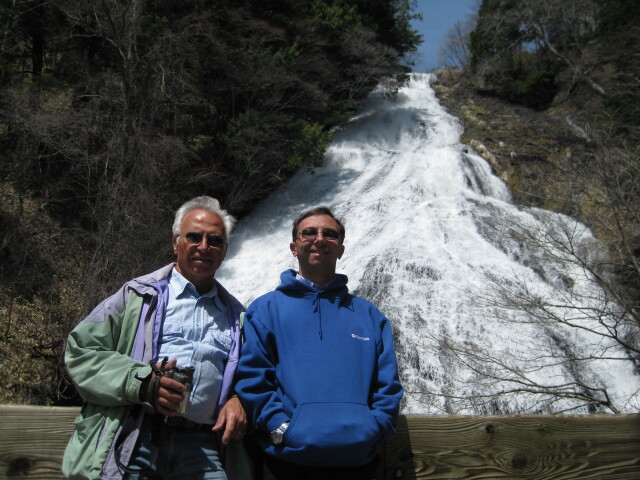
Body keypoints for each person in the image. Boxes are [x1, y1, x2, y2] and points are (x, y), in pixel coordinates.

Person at [62, 196, 248, 480]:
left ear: (224, 250)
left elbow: (253, 373)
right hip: (135, 434)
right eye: (194, 237)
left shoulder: (238, 317)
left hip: (201, 444)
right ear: (176, 243)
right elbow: (81, 350)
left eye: (215, 240)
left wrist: (238, 397)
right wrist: (143, 382)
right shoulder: (136, 296)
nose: (203, 247)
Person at [234, 206, 403, 480]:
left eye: (330, 234)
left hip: (358, 462)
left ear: (341, 249)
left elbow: (388, 383)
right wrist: (280, 427)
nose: (319, 239)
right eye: (309, 232)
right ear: (294, 246)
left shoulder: (368, 315)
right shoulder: (266, 309)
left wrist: (375, 427)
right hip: (283, 463)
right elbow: (253, 377)